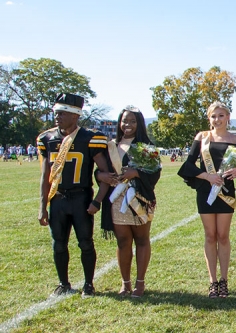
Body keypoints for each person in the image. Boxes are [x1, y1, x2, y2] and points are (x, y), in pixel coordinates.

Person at [37, 93, 110, 298]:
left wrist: (97, 200)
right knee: (58, 243)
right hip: (58, 198)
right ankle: (63, 283)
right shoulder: (47, 138)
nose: (57, 117)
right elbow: (45, 176)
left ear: (75, 116)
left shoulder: (89, 138)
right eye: (56, 113)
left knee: (85, 242)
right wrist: (43, 206)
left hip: (81, 197)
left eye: (62, 113)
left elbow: (105, 174)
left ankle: (88, 284)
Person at [178, 102, 236, 298]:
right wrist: (207, 177)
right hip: (205, 193)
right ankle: (212, 282)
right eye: (213, 116)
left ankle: (224, 281)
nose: (217, 119)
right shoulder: (202, 138)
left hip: (226, 193)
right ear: (209, 119)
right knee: (210, 236)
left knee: (223, 236)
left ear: (228, 117)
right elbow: (188, 166)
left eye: (221, 115)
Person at [96, 106, 161, 298]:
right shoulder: (111, 146)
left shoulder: (147, 147)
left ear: (139, 123)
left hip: (140, 199)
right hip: (116, 200)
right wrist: (100, 175)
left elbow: (155, 173)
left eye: (132, 121)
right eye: (124, 121)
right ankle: (125, 283)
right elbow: (99, 170)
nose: (128, 125)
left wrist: (136, 173)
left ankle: (140, 284)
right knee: (123, 241)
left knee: (141, 240)